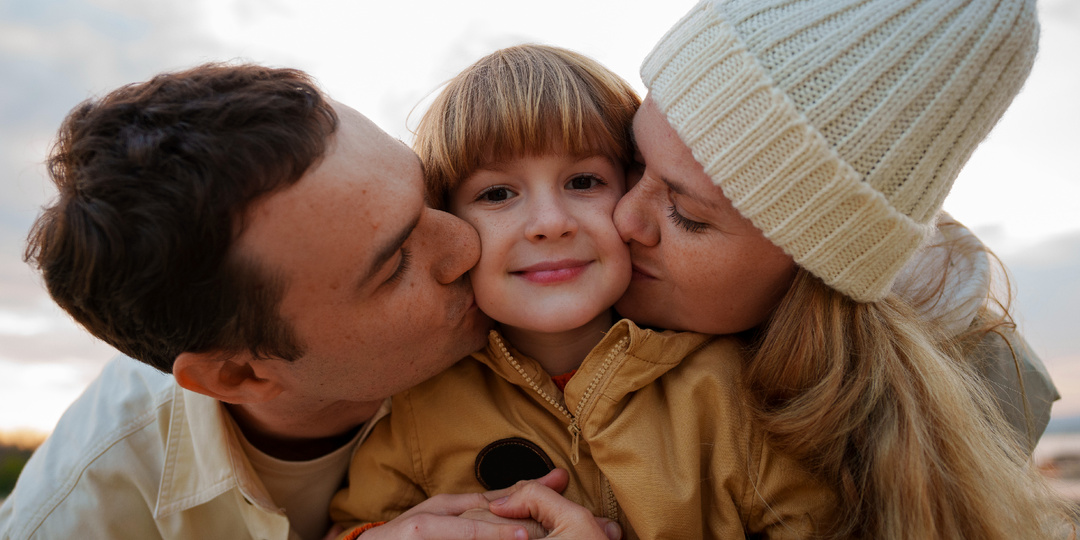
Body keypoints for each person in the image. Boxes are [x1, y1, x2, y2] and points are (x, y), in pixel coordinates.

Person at [1, 63, 615, 540]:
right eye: (395, 262)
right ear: (238, 373)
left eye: (431, 192)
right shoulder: (84, 510)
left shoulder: (577, 283)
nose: (466, 243)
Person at [538, 0, 1068, 537]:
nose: (623, 217)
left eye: (688, 215)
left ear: (814, 274)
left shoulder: (910, 477)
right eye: (633, 162)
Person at [331, 44, 837, 540]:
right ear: (450, 228)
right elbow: (350, 525)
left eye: (583, 181)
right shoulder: (419, 405)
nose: (550, 223)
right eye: (498, 194)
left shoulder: (730, 387)